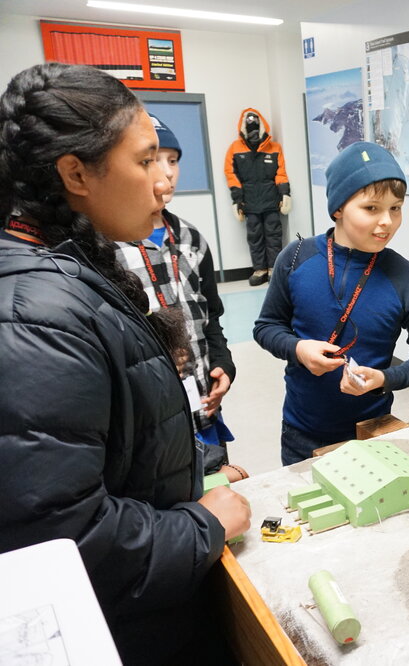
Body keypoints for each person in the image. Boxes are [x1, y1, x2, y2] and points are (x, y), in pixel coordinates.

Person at [0, 63, 250, 664]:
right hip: (129, 629)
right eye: (143, 163)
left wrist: (199, 463)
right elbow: (65, 534)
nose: (161, 184)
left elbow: (110, 438)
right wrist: (204, 523)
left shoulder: (69, 268)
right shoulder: (39, 315)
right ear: (75, 173)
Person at [254, 142, 409, 465]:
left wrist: (384, 379)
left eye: (395, 208)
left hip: (372, 430)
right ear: (339, 208)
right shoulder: (296, 258)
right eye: (371, 209)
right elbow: (267, 327)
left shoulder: (407, 278)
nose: (387, 221)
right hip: (302, 432)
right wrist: (299, 350)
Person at [115, 114, 245, 483]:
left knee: (220, 497)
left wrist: (223, 363)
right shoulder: (105, 244)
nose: (167, 172)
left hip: (203, 404)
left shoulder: (191, 239)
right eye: (153, 160)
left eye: (173, 161)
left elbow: (212, 316)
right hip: (149, 420)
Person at [224, 107, 291, 286]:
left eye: (255, 124)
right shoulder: (235, 149)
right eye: (249, 125)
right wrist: (237, 200)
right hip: (250, 202)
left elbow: (281, 173)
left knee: (274, 235)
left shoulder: (274, 148)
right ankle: (259, 269)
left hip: (271, 201)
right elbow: (231, 175)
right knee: (255, 237)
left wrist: (285, 193)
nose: (252, 128)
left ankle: (273, 269)